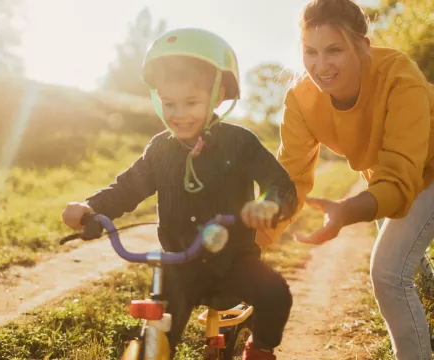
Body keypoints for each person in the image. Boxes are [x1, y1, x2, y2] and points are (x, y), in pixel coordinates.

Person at [61, 28, 298, 359]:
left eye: (191, 102)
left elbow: (282, 186)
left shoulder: (240, 143)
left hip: (233, 262)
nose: (179, 114)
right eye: (169, 103)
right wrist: (91, 207)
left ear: (217, 97)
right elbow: (128, 187)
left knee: (275, 293)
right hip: (178, 267)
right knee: (158, 338)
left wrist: (268, 205)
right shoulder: (160, 150)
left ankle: (259, 349)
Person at [266, 0, 434, 359]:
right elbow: (290, 181)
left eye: (334, 50)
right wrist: (251, 242)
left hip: (428, 169)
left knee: (388, 273)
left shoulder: (400, 78)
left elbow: (402, 178)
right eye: (310, 52)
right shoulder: (301, 99)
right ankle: (430, 293)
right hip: (387, 179)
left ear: (363, 46)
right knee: (404, 253)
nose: (320, 65)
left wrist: (347, 212)